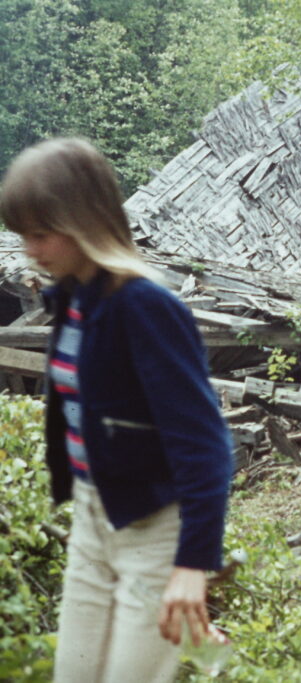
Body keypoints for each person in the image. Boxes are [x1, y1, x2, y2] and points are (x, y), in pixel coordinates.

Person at [0, 137, 234, 682]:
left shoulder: (146, 307)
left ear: (83, 220)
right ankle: (200, 647)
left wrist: (191, 566)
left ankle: (192, 637)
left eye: (41, 233)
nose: (29, 250)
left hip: (154, 530)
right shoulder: (75, 299)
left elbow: (206, 446)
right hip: (92, 519)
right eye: (22, 235)